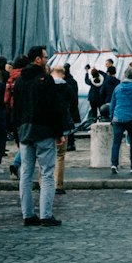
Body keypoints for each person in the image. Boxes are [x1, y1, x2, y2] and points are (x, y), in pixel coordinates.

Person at [11, 45, 66, 226]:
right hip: (43, 131)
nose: (46, 59)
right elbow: (54, 108)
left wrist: (17, 135)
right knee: (47, 173)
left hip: (24, 131)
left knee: (26, 173)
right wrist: (59, 132)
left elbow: (15, 109)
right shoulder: (45, 79)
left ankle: (27, 215)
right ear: (37, 60)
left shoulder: (19, 81)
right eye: (44, 56)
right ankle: (45, 215)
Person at [108, 65, 132, 174]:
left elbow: (112, 104)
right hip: (131, 119)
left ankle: (114, 164)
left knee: (116, 143)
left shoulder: (117, 88)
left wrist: (111, 117)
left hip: (118, 118)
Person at [50, 65, 74, 195]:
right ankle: (58, 184)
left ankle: (43, 182)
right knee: (60, 155)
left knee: (45, 156)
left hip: (48, 125)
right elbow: (73, 103)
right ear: (63, 74)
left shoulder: (46, 86)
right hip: (63, 123)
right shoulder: (67, 87)